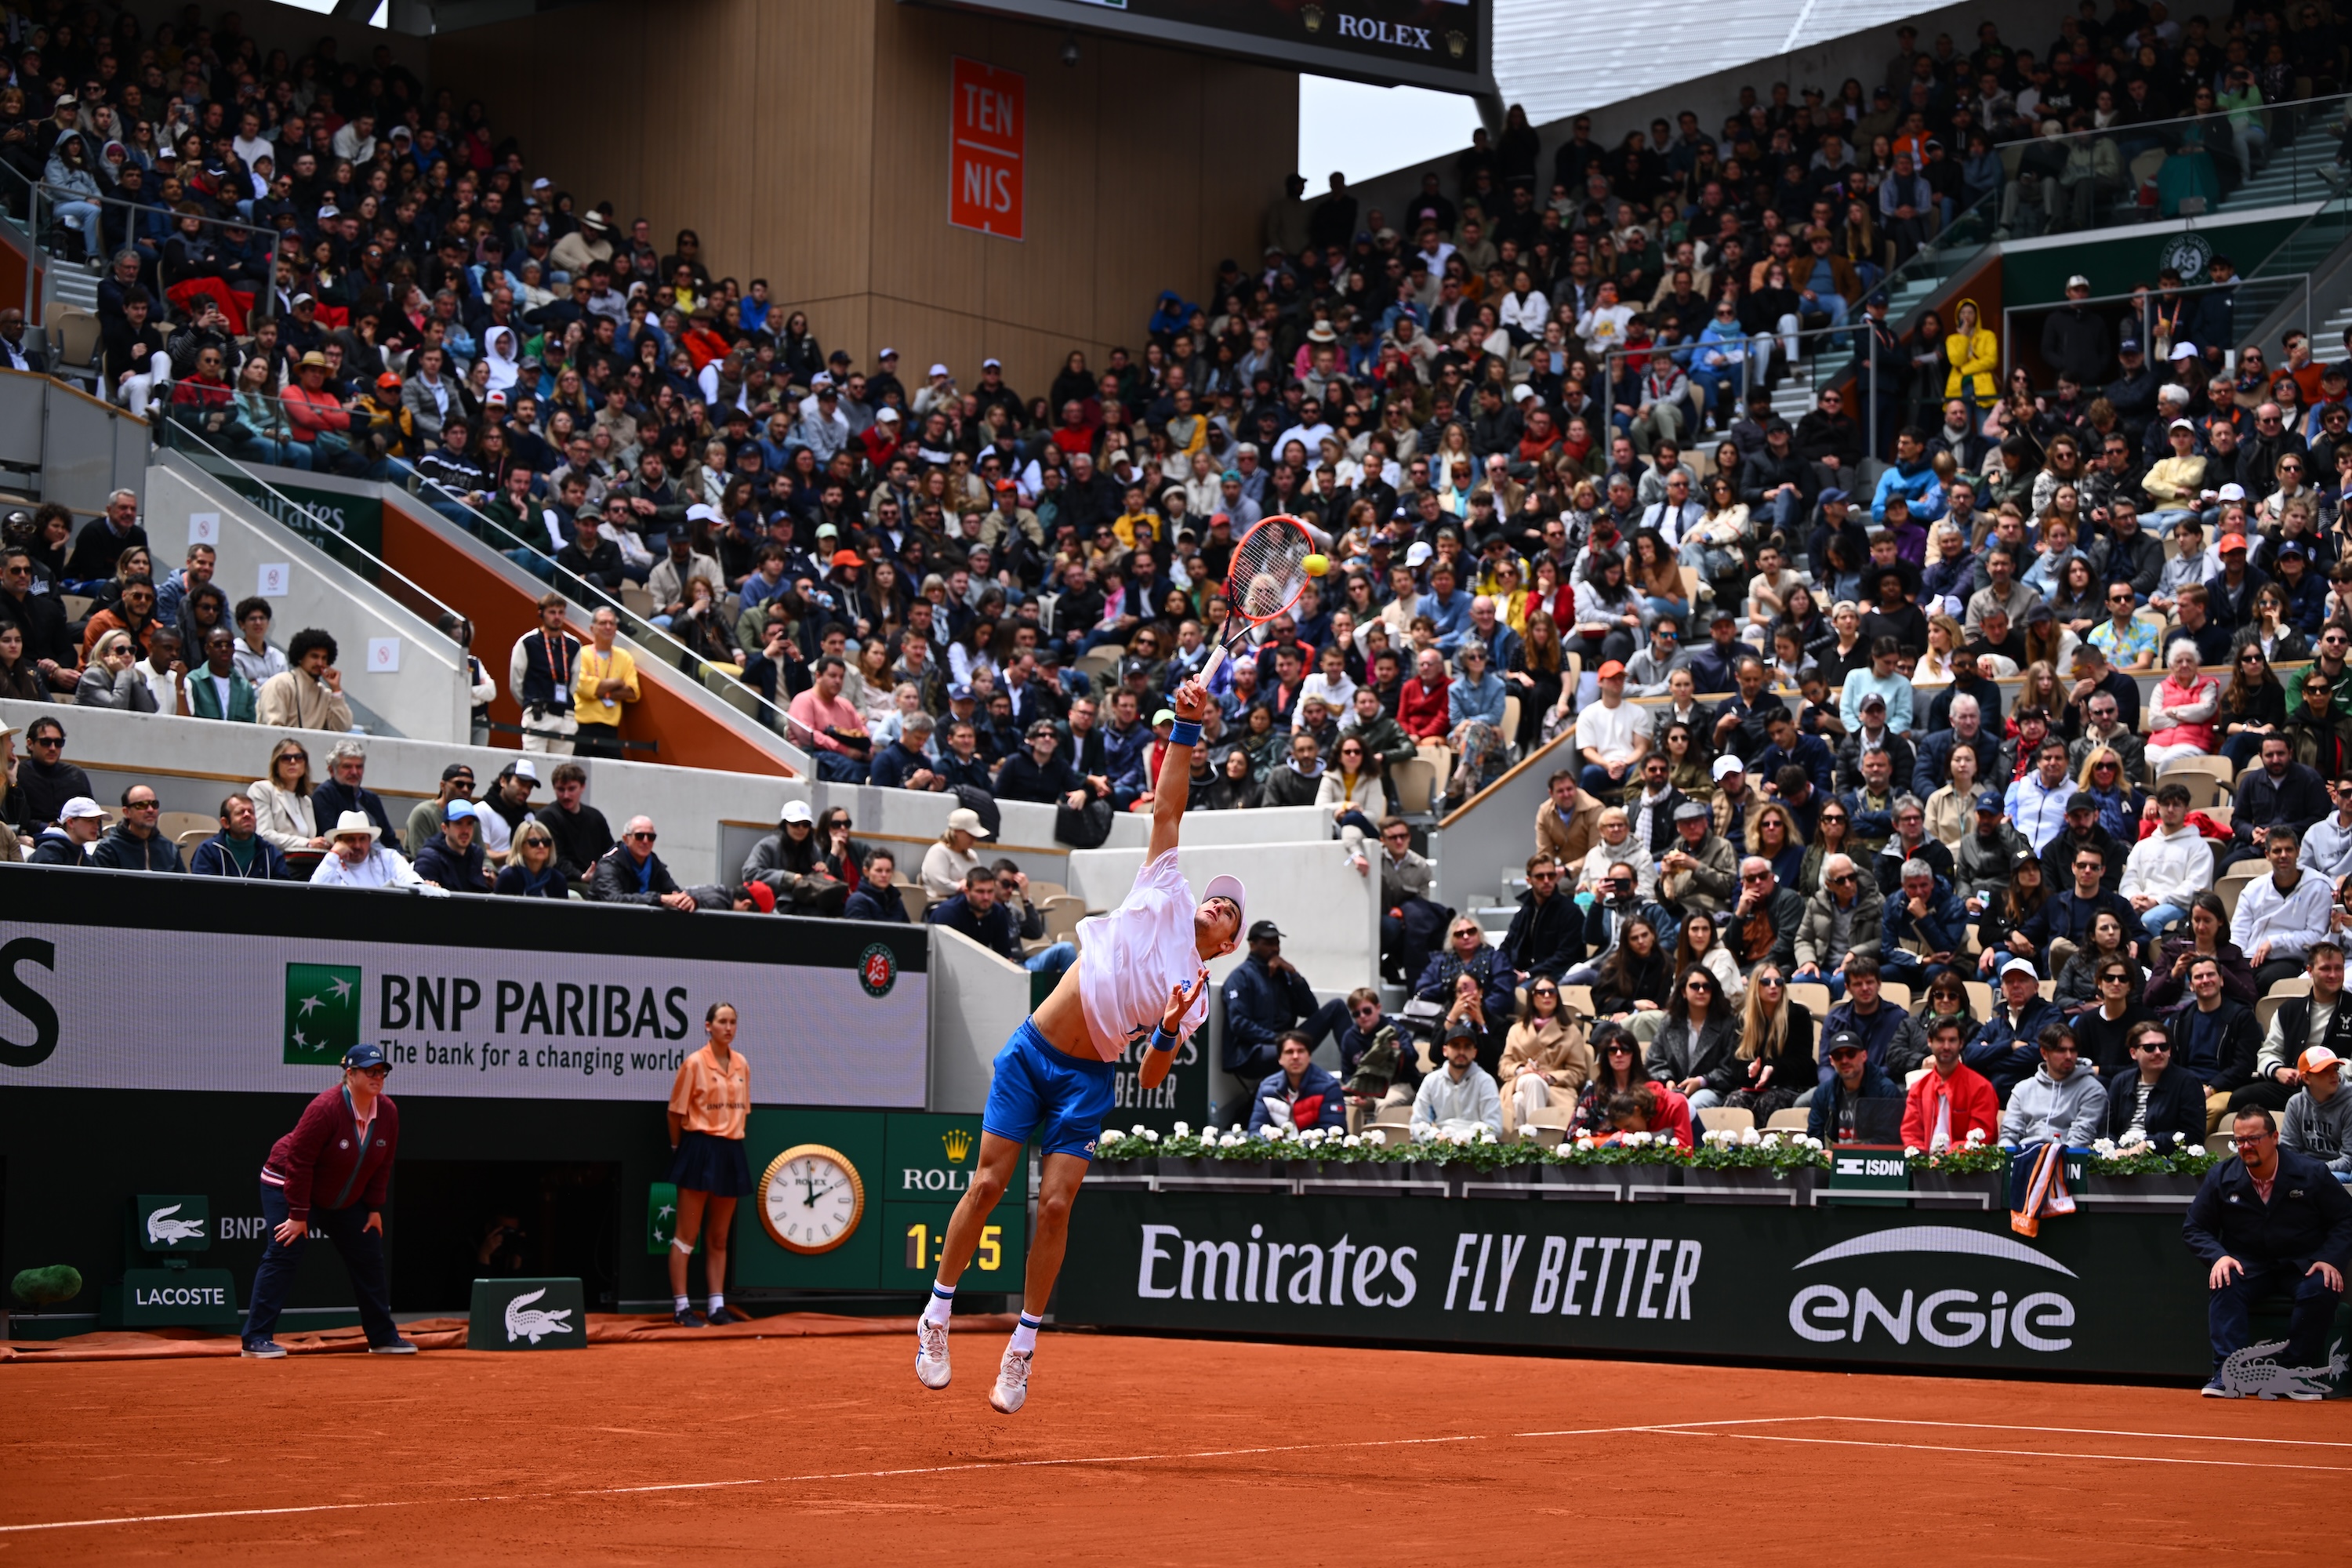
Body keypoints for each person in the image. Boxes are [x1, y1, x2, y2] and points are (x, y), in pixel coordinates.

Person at [916, 675, 1240, 1415]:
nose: (1220, 901)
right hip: (1030, 1054)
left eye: (1231, 910)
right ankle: (936, 1317)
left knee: (1055, 1208)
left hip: (1087, 1082)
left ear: (1225, 946)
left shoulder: (1196, 993)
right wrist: (1185, 728)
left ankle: (1022, 1348)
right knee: (989, 1187)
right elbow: (1169, 804)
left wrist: (1164, 1028)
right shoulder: (1165, 885)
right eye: (1218, 895)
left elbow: (1156, 1074)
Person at [241, 1044, 411, 1358]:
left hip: (341, 1197)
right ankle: (256, 1338)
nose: (378, 1077)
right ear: (350, 1074)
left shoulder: (388, 1111)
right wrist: (298, 1214)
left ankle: (383, 1337)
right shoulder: (325, 1108)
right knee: (284, 1252)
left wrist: (373, 1208)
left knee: (369, 1256)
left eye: (382, 1072)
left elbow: (383, 1162)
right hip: (287, 1184)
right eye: (370, 1071)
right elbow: (299, 1162)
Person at [2184, 1105, 2352, 1396]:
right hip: (2248, 1265)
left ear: (2275, 1137)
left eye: (2254, 1139)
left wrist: (2329, 1259)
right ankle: (2227, 1372)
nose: (2246, 1147)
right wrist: (2219, 1256)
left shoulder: (2311, 1173)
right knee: (2225, 1279)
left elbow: (2346, 1218)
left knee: (2322, 1286)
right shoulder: (2221, 1176)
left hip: (2302, 1265)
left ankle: (2293, 1373)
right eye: (2239, 1141)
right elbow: (2194, 1227)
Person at [665, 1003, 754, 1328]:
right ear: (708, 1026)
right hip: (698, 1149)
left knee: (718, 1237)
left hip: (731, 1150)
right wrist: (680, 1149)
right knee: (686, 1236)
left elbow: (742, 1111)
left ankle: (716, 1306)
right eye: (722, 1022)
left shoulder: (742, 1063)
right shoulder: (693, 1063)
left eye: (733, 1022)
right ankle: (681, 1307)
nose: (728, 1027)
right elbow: (675, 1113)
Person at [2234, 827, 2335, 990]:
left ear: (2298, 852)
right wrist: (2234, 962)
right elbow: (2239, 933)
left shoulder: (2318, 886)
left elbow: (2317, 936)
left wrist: (2275, 941)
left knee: (2266, 981)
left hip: (2293, 958)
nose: (2283, 855)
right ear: (2267, 855)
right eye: (2277, 851)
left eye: (2288, 850)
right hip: (2251, 956)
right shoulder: (2253, 889)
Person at [1498, 978, 1592, 1134]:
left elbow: (1578, 1073)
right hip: (1518, 1082)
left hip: (1556, 1089)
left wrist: (1549, 1077)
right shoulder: (1516, 1029)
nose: (1547, 996)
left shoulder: (1571, 1031)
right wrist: (1521, 1070)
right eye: (1541, 992)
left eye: (1552, 992)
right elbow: (1504, 1066)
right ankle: (1538, 1142)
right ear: (1532, 997)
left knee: (1520, 1100)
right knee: (1531, 1080)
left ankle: (1522, 1148)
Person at [2105, 1021, 2209, 1151]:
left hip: (2162, 1158)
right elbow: (2106, 1129)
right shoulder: (2120, 1081)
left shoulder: (2188, 1082)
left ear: (2169, 1050)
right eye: (2149, 1048)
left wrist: (2149, 1144)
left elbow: (2194, 1135)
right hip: (2119, 1155)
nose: (2158, 1052)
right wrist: (2116, 1149)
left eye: (2164, 1047)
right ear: (2133, 1053)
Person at [1902, 1016, 2000, 1153]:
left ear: (1961, 1043)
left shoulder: (1981, 1088)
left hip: (1967, 1170)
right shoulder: (1918, 1088)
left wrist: (1944, 1161)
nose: (1946, 1046)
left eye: (1952, 1040)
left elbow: (1980, 1140)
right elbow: (1910, 1133)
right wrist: (1922, 1160)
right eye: (1941, 1040)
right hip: (1924, 1168)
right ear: (1930, 1042)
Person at [1809, 1029, 1904, 1143]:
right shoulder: (1823, 1093)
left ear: (1864, 1056)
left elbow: (1888, 1141)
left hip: (1869, 1159)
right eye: (1838, 1056)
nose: (1844, 1060)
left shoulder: (1886, 1092)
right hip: (1830, 1159)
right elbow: (1815, 1137)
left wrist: (1841, 1156)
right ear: (1831, 1061)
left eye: (1851, 1054)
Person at [1414, 1019, 1505, 1138]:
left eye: (1467, 1047)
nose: (1461, 1052)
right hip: (1439, 1146)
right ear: (1445, 1051)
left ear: (1474, 1052)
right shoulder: (1431, 1081)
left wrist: (1464, 1139)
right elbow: (1417, 1124)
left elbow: (1494, 1126)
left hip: (1476, 1148)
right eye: (1456, 1046)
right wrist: (1436, 1136)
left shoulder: (1486, 1081)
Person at [1500, 851, 1582, 982]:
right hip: (1524, 973)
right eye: (1540, 877)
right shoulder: (1524, 912)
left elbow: (1566, 955)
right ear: (1529, 880)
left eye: (1551, 875)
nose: (1546, 881)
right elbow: (1507, 946)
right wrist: (1503, 969)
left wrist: (1528, 975)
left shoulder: (1570, 911)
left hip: (1554, 976)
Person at [570, 605, 639, 759]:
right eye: (603, 623)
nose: (608, 627)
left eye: (612, 623)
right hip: (581, 727)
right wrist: (617, 682)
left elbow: (632, 692)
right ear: (592, 628)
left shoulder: (624, 657)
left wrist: (600, 689)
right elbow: (584, 688)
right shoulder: (581, 653)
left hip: (610, 729)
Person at [1245, 1030, 1348, 1134]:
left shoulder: (1329, 1087)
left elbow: (1333, 1134)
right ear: (1280, 1058)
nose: (1295, 1057)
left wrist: (1299, 1150)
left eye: (1301, 1051)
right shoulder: (1266, 1088)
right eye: (1289, 1052)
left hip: (1315, 1149)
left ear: (1309, 1056)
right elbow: (1256, 1130)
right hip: (1277, 1149)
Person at [310, 810, 439, 892]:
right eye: (350, 839)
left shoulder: (388, 858)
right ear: (339, 841)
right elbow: (312, 893)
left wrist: (423, 886)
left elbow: (409, 878)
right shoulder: (332, 864)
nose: (357, 845)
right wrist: (334, 855)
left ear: (370, 840)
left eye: (362, 839)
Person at [255, 627, 353, 732]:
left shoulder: (326, 695)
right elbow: (273, 730)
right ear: (301, 656)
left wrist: (336, 690)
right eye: (314, 656)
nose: (320, 663)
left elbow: (343, 728)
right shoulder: (280, 684)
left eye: (324, 658)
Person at [2280, 1046, 2352, 1175]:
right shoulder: (2295, 1104)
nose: (2334, 1075)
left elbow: (2349, 1160)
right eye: (2325, 1071)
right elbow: (2288, 1151)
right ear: (2306, 1078)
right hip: (2305, 1170)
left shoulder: (2349, 1104)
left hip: (2339, 1172)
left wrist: (2313, 1169)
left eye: (2335, 1069)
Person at [189, 793, 293, 880]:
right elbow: (201, 893)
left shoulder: (270, 852)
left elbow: (282, 894)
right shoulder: (208, 851)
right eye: (240, 812)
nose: (247, 815)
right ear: (225, 823)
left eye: (251, 812)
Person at [89, 783, 186, 872]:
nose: (150, 810)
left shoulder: (170, 849)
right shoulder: (108, 849)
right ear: (127, 812)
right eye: (142, 805)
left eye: (154, 804)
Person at [412, 800, 494, 894]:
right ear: (445, 828)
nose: (465, 831)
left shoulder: (476, 853)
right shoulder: (429, 858)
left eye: (470, 823)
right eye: (458, 823)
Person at [921, 808, 992, 897]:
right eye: (970, 835)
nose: (974, 839)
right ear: (956, 831)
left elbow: (981, 880)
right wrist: (962, 887)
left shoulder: (972, 855)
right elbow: (939, 887)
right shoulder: (939, 851)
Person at [495, 820, 570, 898]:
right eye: (534, 842)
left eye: (546, 842)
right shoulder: (507, 878)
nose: (541, 846)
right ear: (521, 847)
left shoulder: (558, 879)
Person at [844, 848, 910, 922]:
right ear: (866, 872)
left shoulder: (896, 901)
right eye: (879, 870)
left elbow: (908, 931)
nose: (884, 875)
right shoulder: (856, 901)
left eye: (888, 871)